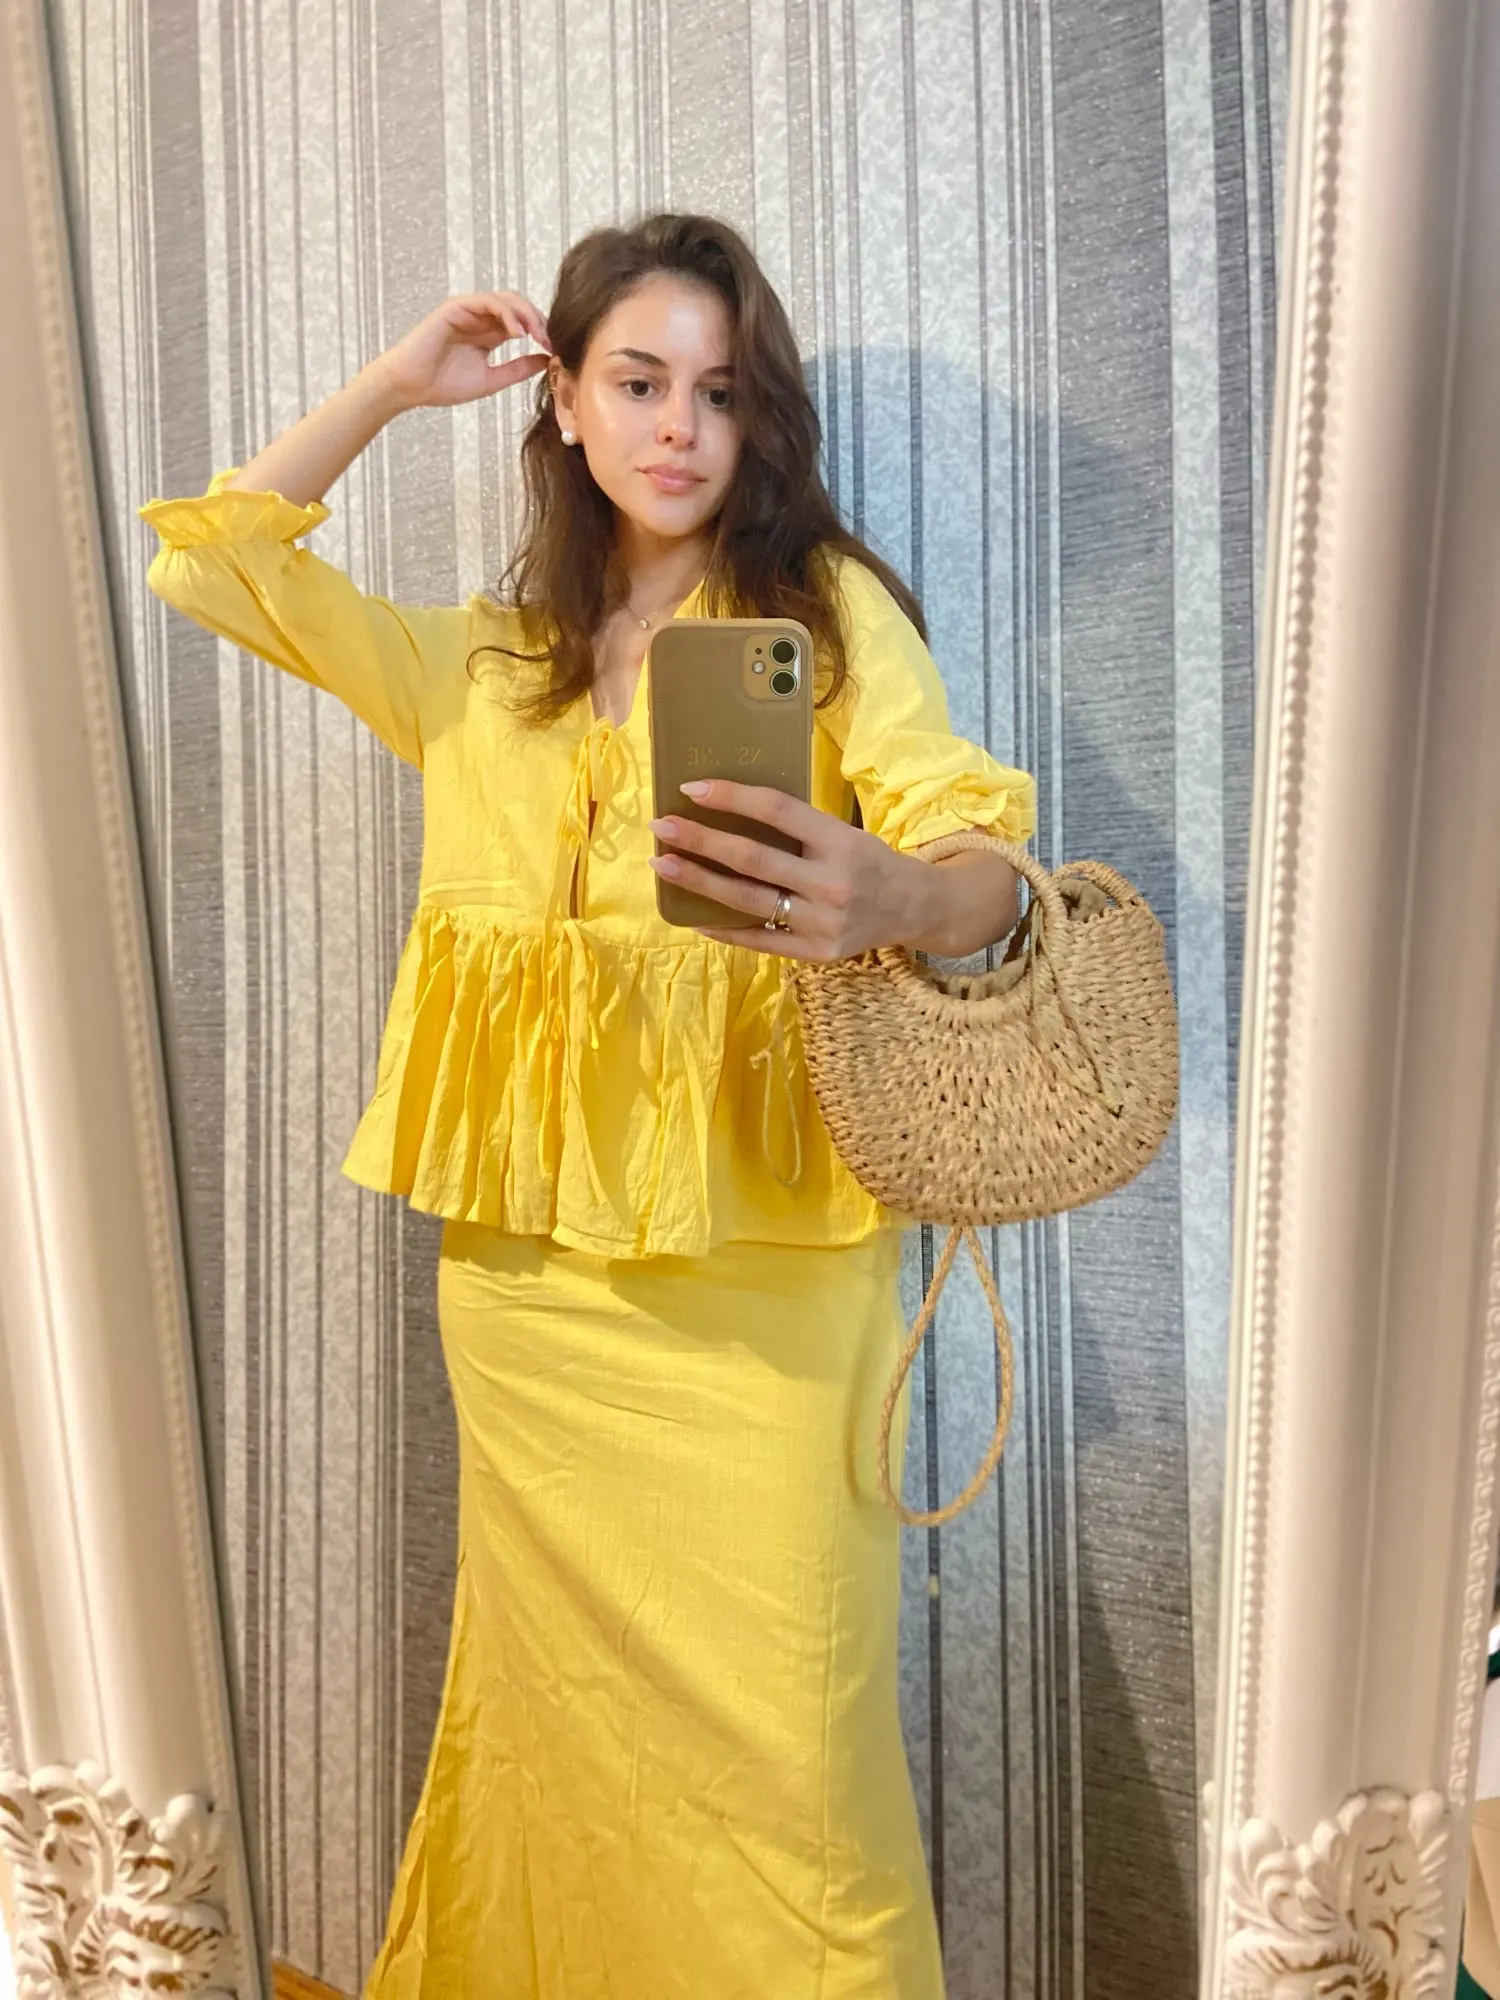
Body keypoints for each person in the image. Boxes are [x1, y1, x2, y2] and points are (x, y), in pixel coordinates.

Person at [140, 211, 1036, 2000]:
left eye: (722, 391)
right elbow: (214, 567)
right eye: (636, 381)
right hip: (529, 1299)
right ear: (564, 401)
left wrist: (896, 892)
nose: (680, 426)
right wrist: (393, 385)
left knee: (800, 1775)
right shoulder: (489, 667)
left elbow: (992, 870)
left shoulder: (817, 617)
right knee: (552, 1736)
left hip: (771, 1290)